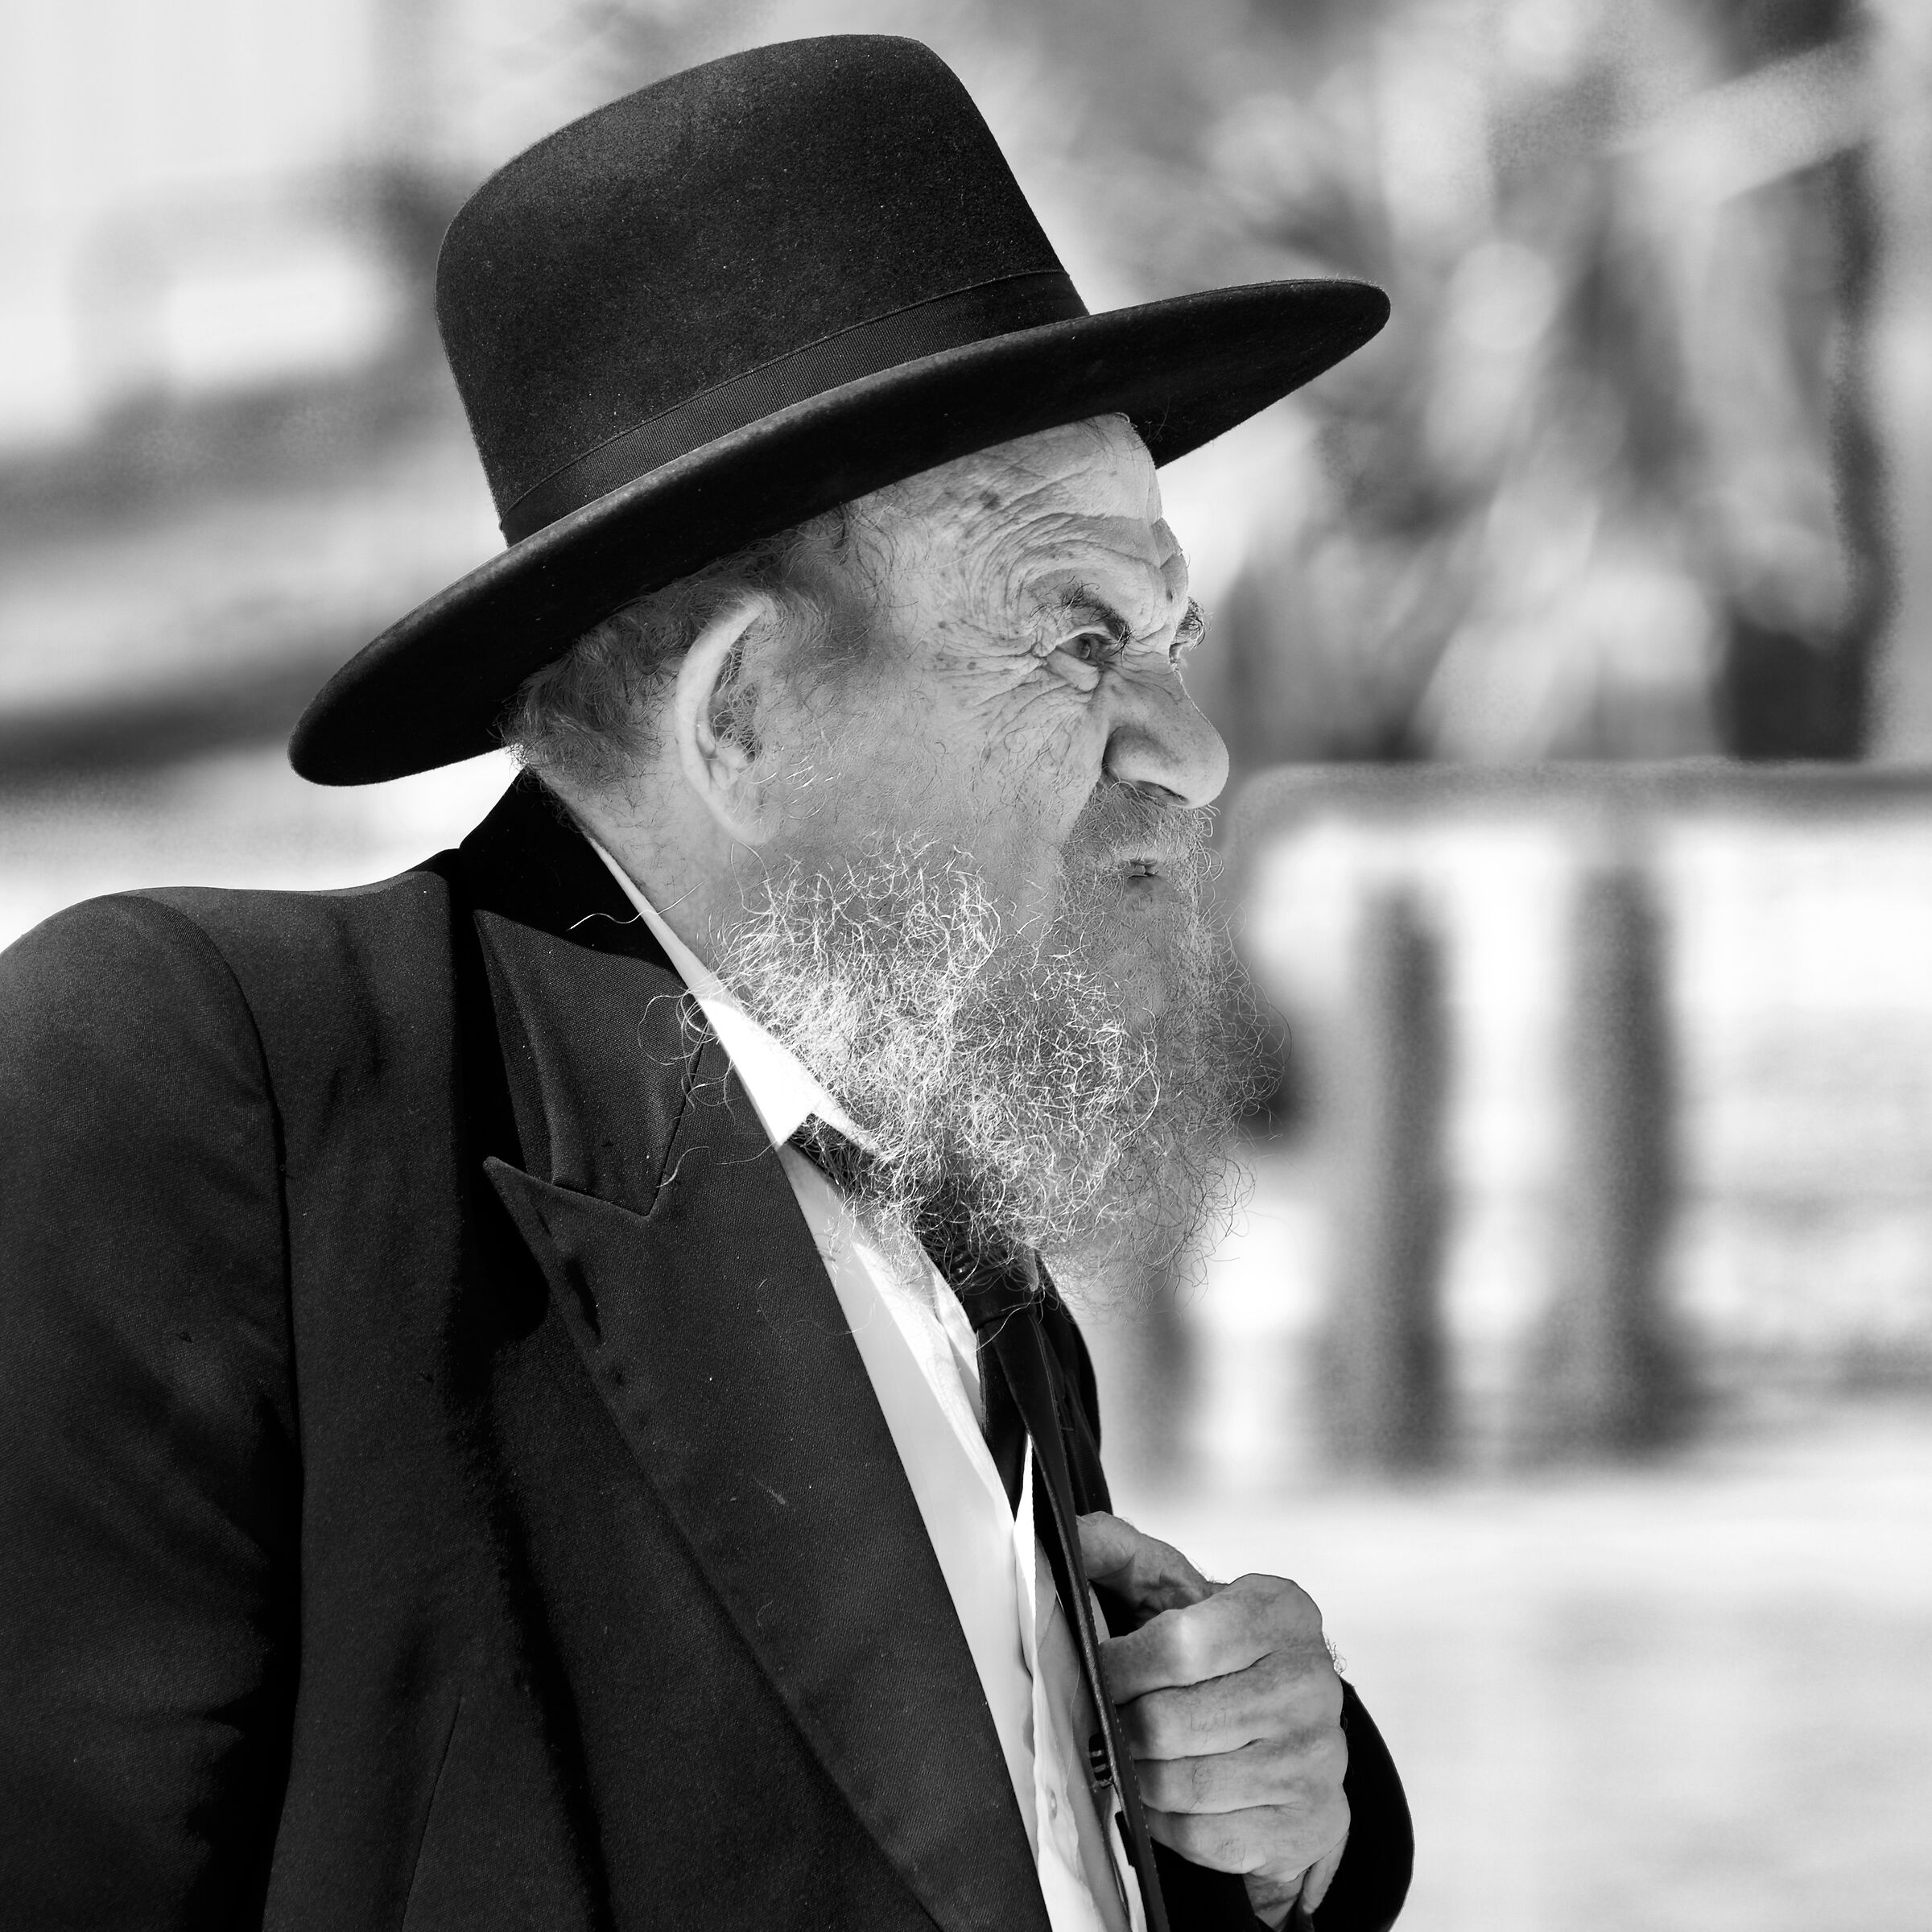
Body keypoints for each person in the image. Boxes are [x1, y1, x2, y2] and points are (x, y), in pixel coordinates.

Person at [0, 35, 1412, 1932]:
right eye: (1085, 638)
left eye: (1176, 634)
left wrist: (1272, 1828)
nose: (1195, 750)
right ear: (742, 712)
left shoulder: (963, 1231)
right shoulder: (212, 1089)